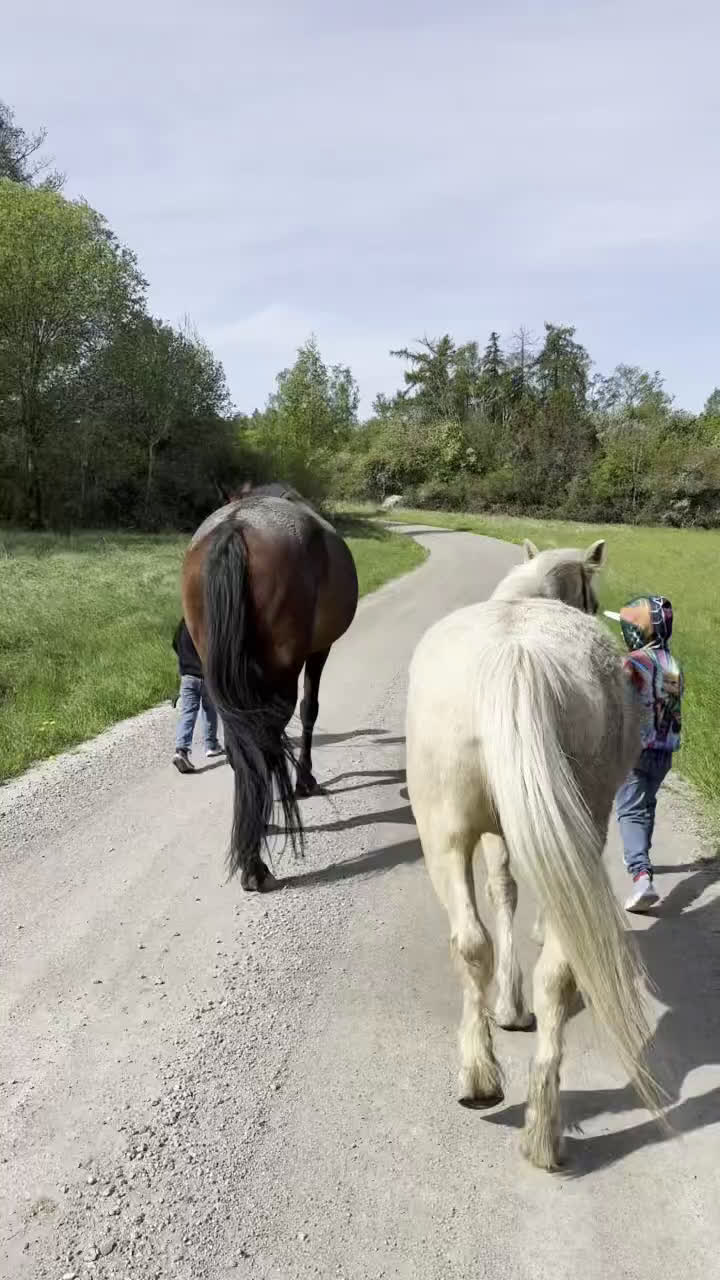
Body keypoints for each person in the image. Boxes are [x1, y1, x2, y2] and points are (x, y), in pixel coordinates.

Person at [614, 595, 684, 912]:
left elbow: (621, 699)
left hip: (636, 749)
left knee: (629, 811)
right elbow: (670, 706)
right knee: (647, 805)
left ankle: (641, 877)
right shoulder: (671, 663)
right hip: (664, 751)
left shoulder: (633, 663)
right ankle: (644, 859)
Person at [171, 618, 224, 773]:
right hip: (206, 676)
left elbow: (175, 644)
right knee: (210, 709)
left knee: (187, 713)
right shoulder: (209, 624)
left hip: (187, 677)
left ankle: (181, 750)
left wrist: (184, 661)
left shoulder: (183, 624)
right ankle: (211, 745)